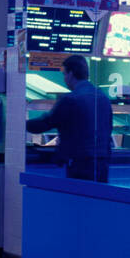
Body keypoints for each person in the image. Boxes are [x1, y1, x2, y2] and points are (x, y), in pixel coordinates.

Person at [25, 54, 114, 182]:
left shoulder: (71, 99)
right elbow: (108, 128)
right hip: (102, 163)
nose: (64, 79)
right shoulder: (103, 98)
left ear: (71, 74)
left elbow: (45, 123)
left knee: (77, 199)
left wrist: (18, 124)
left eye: (64, 74)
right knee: (97, 199)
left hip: (80, 163)